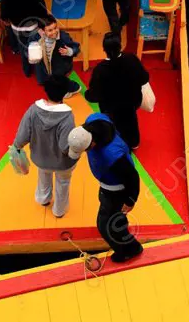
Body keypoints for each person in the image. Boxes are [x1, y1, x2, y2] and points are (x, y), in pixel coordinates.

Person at [67, 113, 144, 263]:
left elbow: (132, 176)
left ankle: (129, 250)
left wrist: (130, 200)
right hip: (107, 186)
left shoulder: (112, 156)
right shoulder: (95, 120)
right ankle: (128, 243)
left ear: (91, 144)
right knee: (115, 219)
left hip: (116, 192)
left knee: (106, 225)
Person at [12, 75, 79, 218]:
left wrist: (17, 147)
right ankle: (59, 211)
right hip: (62, 163)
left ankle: (43, 199)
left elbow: (22, 135)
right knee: (63, 182)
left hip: (40, 158)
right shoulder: (67, 117)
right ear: (65, 92)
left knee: (43, 176)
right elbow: (65, 147)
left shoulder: (33, 110)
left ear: (46, 90)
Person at [86, 32, 150, 149]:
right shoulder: (132, 59)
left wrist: (87, 94)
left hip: (110, 108)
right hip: (131, 102)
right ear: (120, 45)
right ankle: (133, 142)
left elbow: (93, 95)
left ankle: (114, 143)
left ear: (104, 49)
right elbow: (144, 78)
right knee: (131, 120)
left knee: (112, 124)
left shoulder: (100, 70)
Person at [0, 0, 49, 77]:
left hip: (17, 29)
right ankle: (40, 77)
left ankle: (27, 71)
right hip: (34, 29)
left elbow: (4, 17)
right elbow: (43, 15)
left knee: (23, 49)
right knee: (36, 51)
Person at [30, 15, 81, 85]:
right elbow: (28, 46)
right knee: (43, 83)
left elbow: (76, 48)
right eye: (50, 30)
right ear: (42, 31)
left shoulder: (63, 37)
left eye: (55, 28)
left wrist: (69, 51)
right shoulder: (37, 37)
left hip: (60, 67)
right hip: (44, 69)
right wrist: (32, 53)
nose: (54, 32)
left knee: (60, 85)